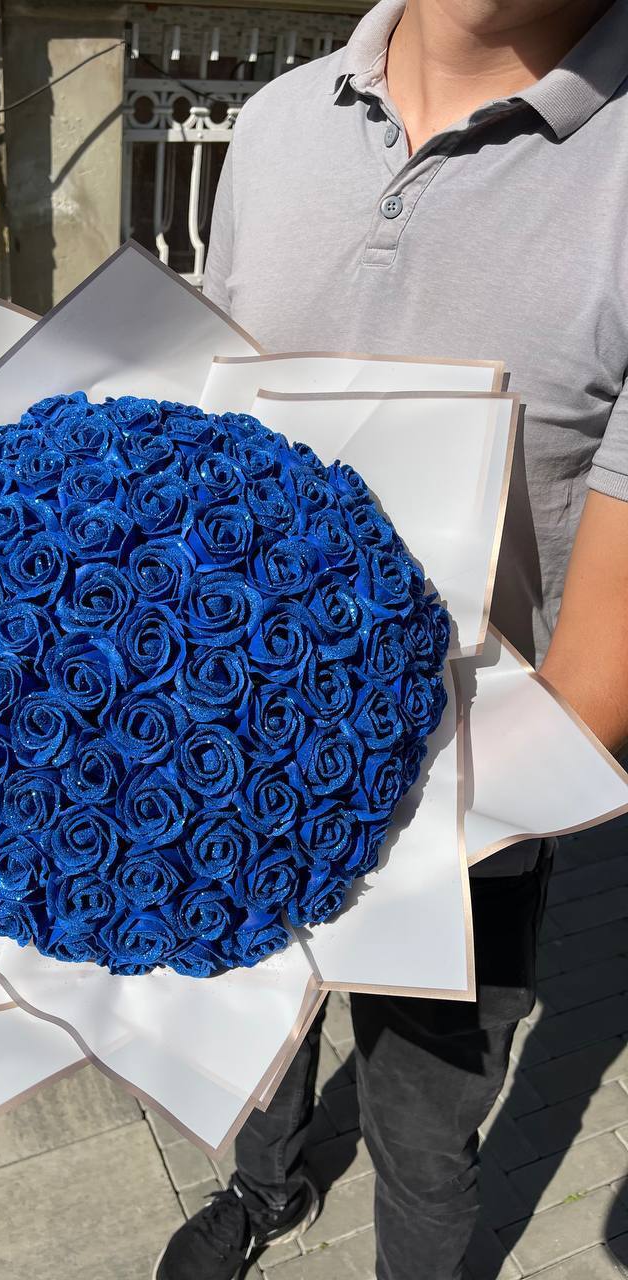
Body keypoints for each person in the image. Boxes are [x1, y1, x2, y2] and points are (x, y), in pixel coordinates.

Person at [154, 1, 628, 1277]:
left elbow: (605, 665)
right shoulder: (274, 125)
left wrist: (375, 816)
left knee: (424, 1133)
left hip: (473, 814)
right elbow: (203, 439)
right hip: (223, 747)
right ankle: (267, 1189)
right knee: (250, 1037)